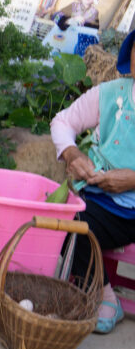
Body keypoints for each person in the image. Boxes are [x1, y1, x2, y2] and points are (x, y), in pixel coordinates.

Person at [50, 28, 135, 333]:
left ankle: (103, 297)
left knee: (76, 223)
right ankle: (100, 291)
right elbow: (63, 121)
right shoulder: (111, 94)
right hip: (95, 195)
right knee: (60, 216)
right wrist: (73, 155)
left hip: (131, 211)